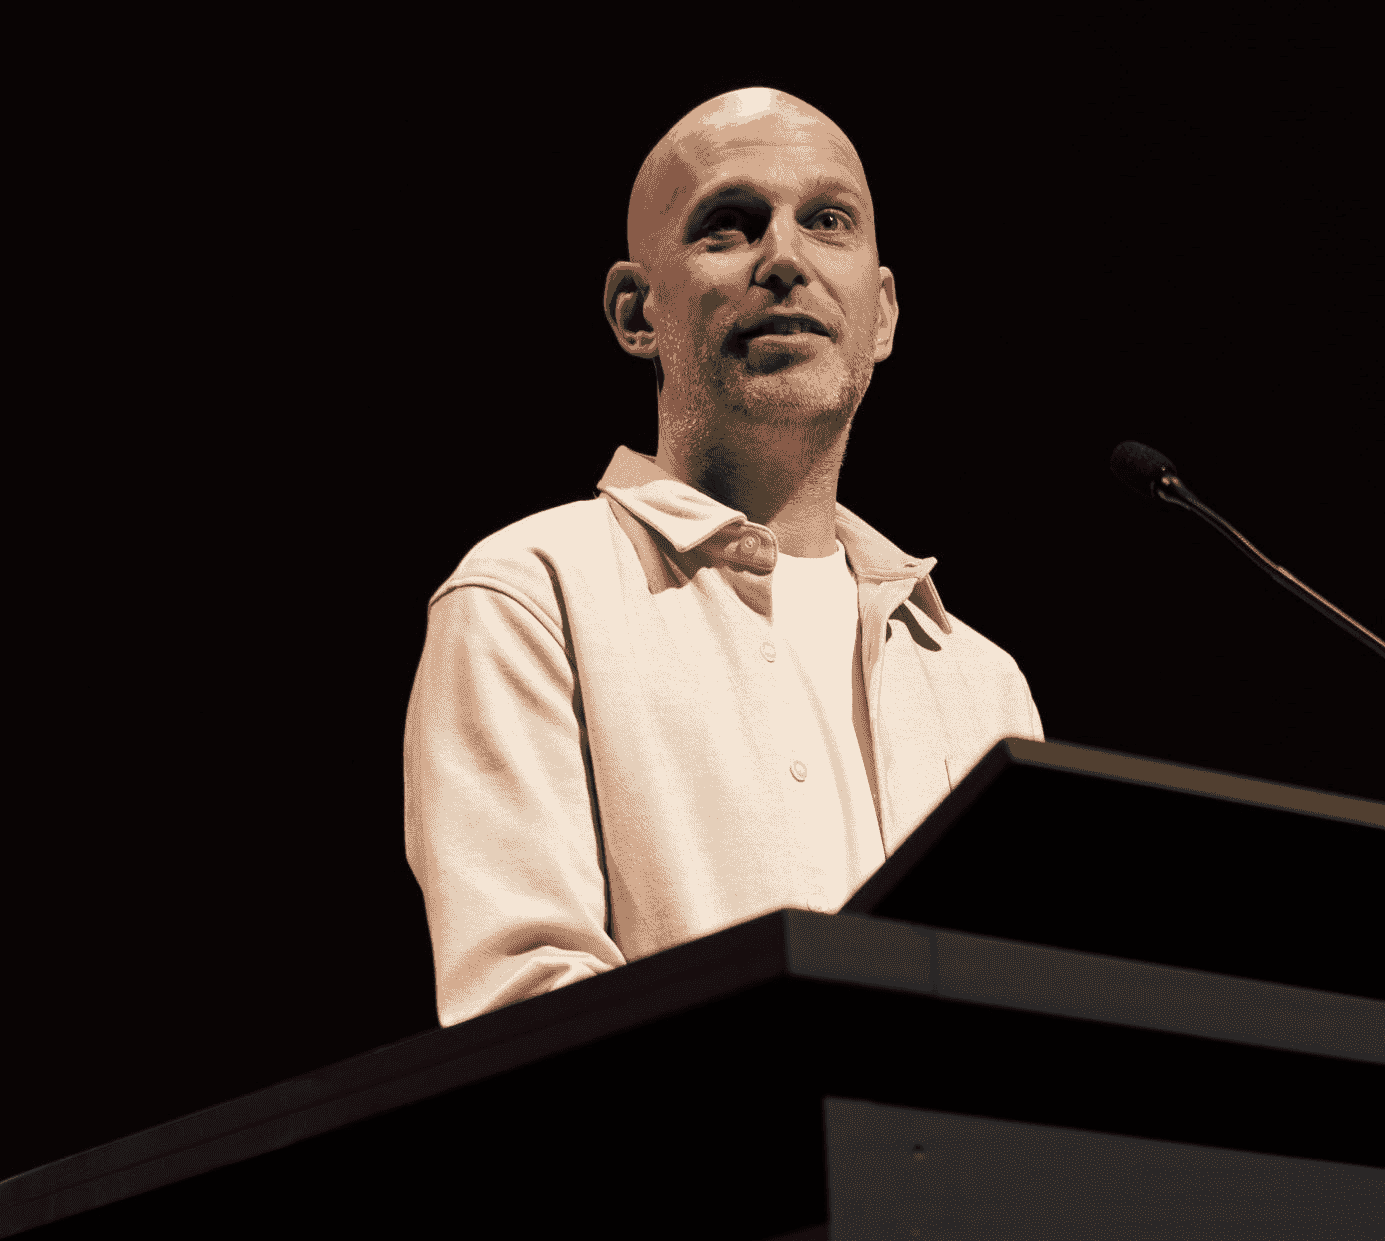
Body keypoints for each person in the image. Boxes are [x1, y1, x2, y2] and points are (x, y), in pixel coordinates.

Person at [401, 88, 1044, 1026]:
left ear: (882, 314)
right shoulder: (530, 597)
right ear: (636, 312)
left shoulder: (981, 684)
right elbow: (528, 1015)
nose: (785, 258)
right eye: (729, 224)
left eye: (827, 221)